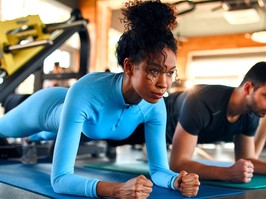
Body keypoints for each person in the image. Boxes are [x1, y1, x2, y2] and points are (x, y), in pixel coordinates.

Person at [0, 0, 200, 198]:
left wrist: (175, 180)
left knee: (51, 134)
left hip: (80, 124)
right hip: (45, 107)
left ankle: (31, 139)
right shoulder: (86, 92)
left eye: (170, 73)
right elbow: (60, 179)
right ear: (129, 67)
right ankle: (26, 130)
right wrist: (116, 189)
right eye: (154, 71)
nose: (164, 84)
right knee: (3, 128)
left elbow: (158, 170)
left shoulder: (155, 105)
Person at [166, 61, 266, 183]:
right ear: (248, 88)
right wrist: (228, 173)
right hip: (145, 124)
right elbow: (177, 163)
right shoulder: (201, 101)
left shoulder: (252, 114)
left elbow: (246, 159)